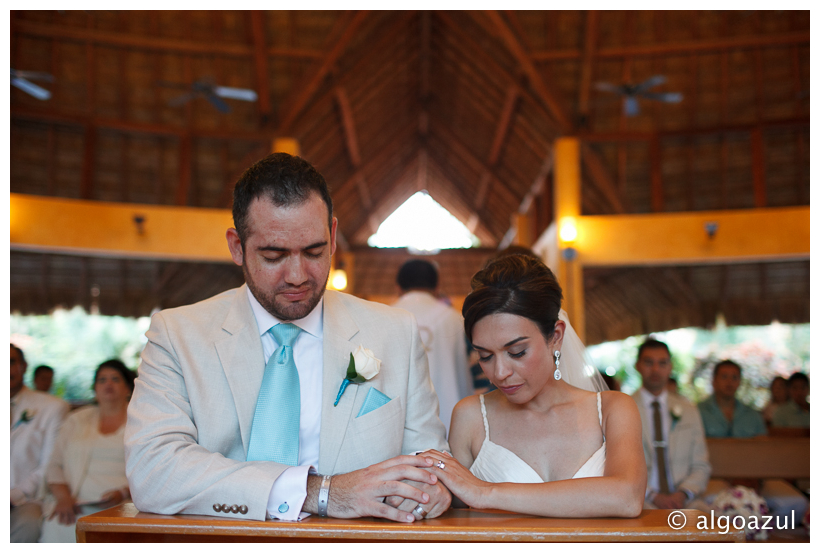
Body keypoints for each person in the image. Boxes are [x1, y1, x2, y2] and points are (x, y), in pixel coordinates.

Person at [125, 153, 449, 524]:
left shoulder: (395, 332)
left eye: (314, 252)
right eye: (274, 255)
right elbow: (153, 470)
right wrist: (319, 492)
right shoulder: (178, 335)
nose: (297, 275)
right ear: (236, 246)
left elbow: (430, 460)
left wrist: (430, 490)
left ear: (333, 237)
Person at [420, 254, 646, 518]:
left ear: (556, 337)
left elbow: (627, 498)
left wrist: (485, 492)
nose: (500, 373)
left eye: (517, 352)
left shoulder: (612, 409)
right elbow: (457, 518)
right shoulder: (470, 416)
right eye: (485, 356)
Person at [40, 360, 135, 542]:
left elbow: (153, 469)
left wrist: (123, 493)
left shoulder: (141, 421)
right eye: (102, 380)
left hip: (123, 505)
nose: (108, 384)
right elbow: (54, 464)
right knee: (57, 526)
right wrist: (63, 498)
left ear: (128, 388)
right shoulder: (76, 420)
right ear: (94, 388)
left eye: (115, 379)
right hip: (73, 504)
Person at [393, 259, 472, 433]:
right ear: (437, 287)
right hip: (451, 414)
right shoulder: (455, 319)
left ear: (398, 287)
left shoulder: (386, 316)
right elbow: (465, 369)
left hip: (399, 421)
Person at [631, 339, 711, 510]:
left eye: (662, 363)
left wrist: (682, 494)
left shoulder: (688, 410)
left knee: (715, 525)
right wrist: (652, 495)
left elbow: (701, 465)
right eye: (648, 362)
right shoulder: (625, 407)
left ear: (670, 367)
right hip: (640, 500)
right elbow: (615, 467)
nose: (655, 369)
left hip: (684, 499)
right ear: (637, 365)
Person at [11, 344, 70, 542]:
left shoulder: (52, 408)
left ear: (23, 366)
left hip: (26, 499)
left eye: (11, 362)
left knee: (28, 524)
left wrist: (14, 495)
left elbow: (49, 464)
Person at [697, 360, 766, 438]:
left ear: (740, 382)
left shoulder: (752, 416)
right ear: (714, 381)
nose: (729, 382)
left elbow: (762, 446)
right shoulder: (698, 413)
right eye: (724, 377)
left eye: (734, 377)